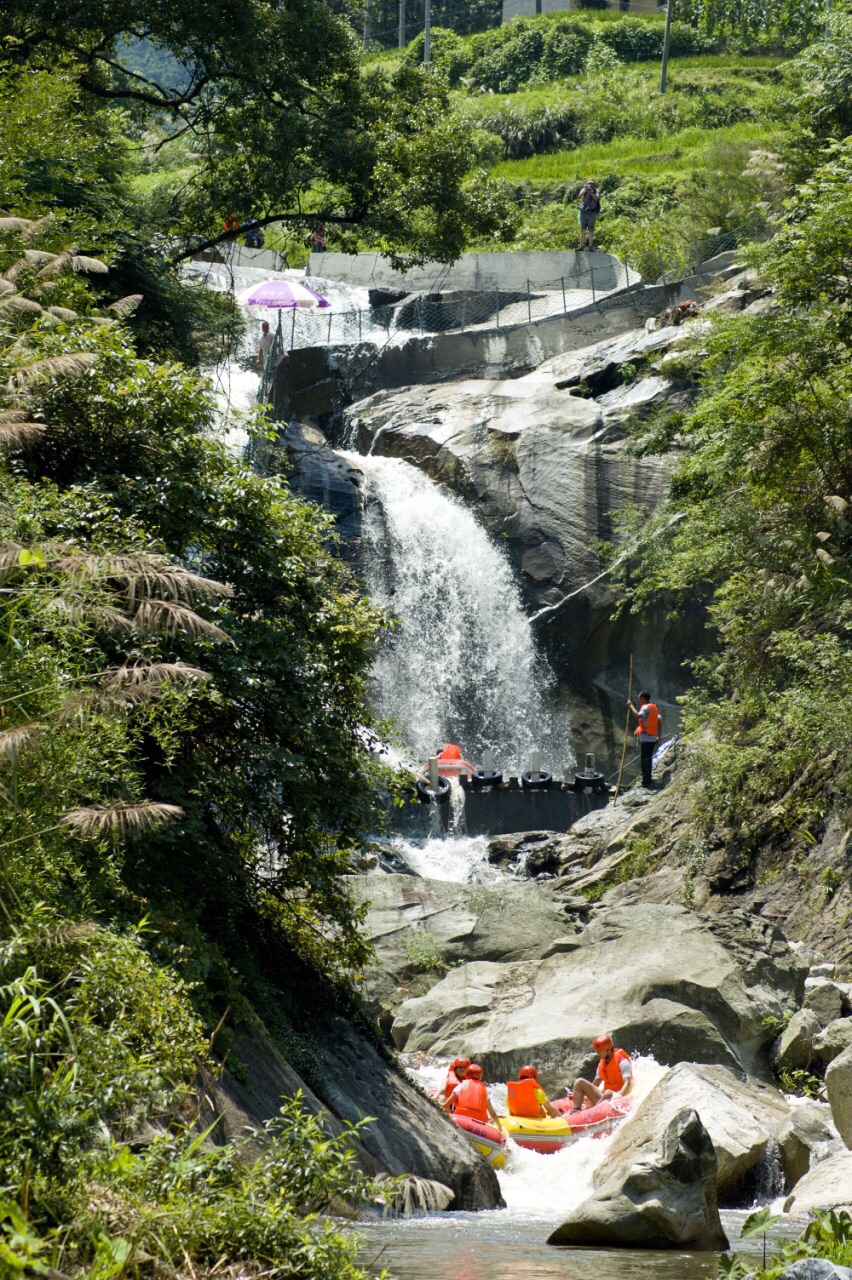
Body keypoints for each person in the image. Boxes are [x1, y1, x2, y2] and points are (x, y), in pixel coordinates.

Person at [570, 1034, 632, 1112]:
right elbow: (595, 1084)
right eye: (597, 1051)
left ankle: (592, 1111)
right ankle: (576, 1110)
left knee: (608, 1093)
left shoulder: (623, 1062)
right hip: (605, 1097)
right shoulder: (601, 1064)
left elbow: (627, 1083)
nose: (598, 1053)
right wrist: (579, 1094)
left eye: (600, 1051)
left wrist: (619, 1096)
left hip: (618, 1096)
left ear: (608, 1050)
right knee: (579, 1081)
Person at [628, 690, 661, 789]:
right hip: (652, 737)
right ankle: (648, 778)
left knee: (645, 759)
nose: (639, 701)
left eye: (639, 699)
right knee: (648, 758)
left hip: (646, 738)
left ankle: (646, 781)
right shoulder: (653, 708)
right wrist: (658, 735)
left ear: (643, 698)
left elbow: (639, 716)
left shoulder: (645, 707)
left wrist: (631, 706)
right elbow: (659, 722)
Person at [578, 180, 601, 252]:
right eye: (588, 184)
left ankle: (590, 246)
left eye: (591, 184)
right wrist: (585, 190)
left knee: (591, 230)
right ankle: (581, 246)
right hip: (584, 211)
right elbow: (579, 196)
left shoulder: (596, 191)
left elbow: (596, 199)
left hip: (592, 212)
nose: (589, 186)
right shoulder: (583, 189)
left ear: (594, 185)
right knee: (582, 229)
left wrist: (591, 192)